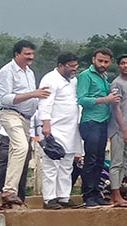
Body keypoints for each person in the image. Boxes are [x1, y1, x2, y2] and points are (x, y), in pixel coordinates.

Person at [0, 40, 48, 206]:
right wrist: (33, 94)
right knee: (21, 147)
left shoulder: (29, 72)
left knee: (18, 152)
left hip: (26, 118)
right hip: (10, 114)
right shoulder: (6, 71)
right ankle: (9, 190)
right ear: (17, 54)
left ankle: (10, 191)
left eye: (32, 54)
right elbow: (5, 98)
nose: (30, 57)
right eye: (27, 54)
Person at [38, 52, 82, 209]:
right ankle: (49, 198)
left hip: (71, 128)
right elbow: (45, 103)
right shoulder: (50, 79)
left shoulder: (74, 81)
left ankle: (64, 196)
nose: (73, 69)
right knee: (52, 164)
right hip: (55, 127)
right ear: (61, 65)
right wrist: (46, 124)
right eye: (71, 66)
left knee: (67, 164)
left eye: (75, 66)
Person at [77, 48, 119, 207]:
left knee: (100, 159)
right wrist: (105, 99)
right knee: (91, 159)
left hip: (103, 122)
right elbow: (81, 99)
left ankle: (96, 193)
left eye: (106, 61)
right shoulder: (85, 76)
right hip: (90, 121)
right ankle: (87, 195)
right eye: (100, 60)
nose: (102, 64)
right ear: (93, 59)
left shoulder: (104, 77)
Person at [107, 54, 127, 207]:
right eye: (123, 63)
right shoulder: (116, 83)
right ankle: (115, 195)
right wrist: (124, 129)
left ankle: (117, 192)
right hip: (119, 129)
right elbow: (116, 108)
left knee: (126, 163)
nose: (126, 66)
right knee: (116, 162)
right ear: (119, 66)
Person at [0, 108, 37, 201]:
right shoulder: (7, 102)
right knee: (2, 170)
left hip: (26, 138)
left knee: (22, 170)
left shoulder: (33, 103)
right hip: (7, 138)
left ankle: (19, 200)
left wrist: (35, 139)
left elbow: (36, 123)